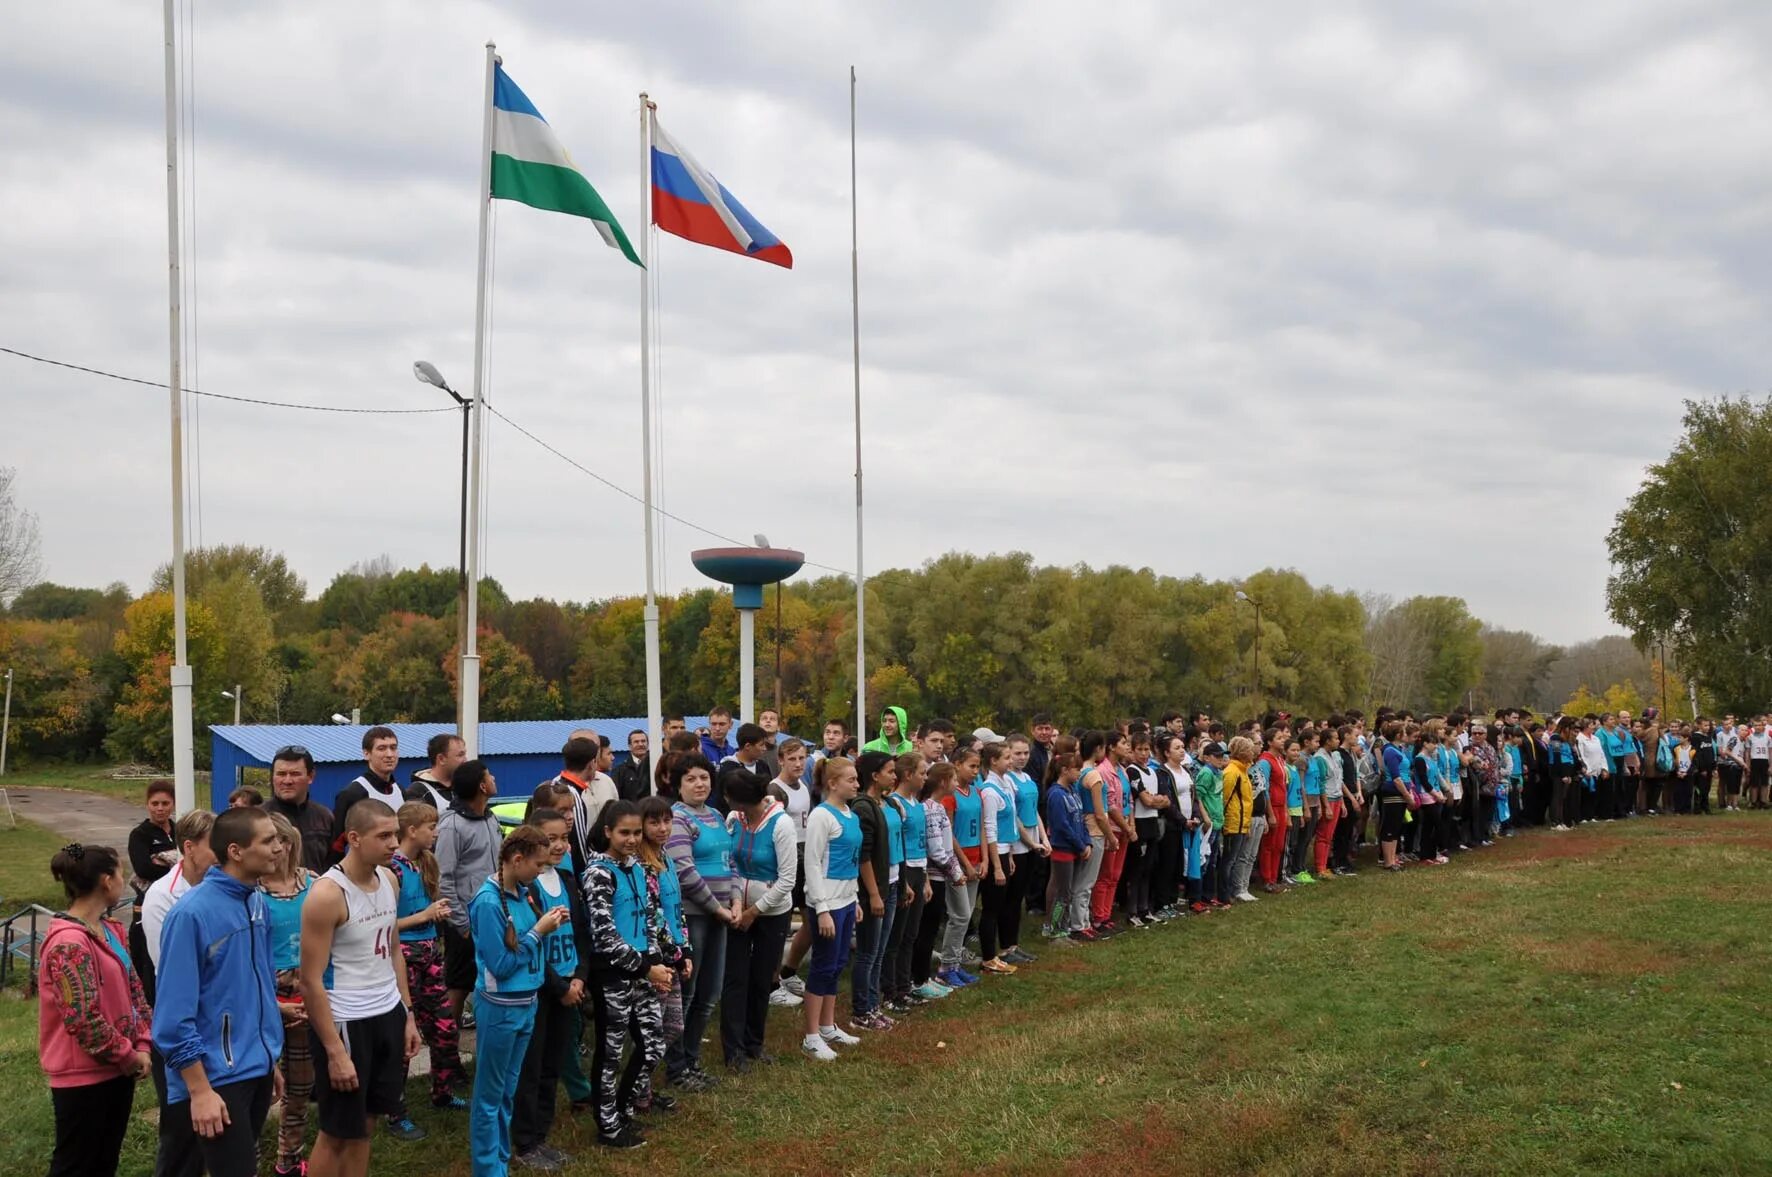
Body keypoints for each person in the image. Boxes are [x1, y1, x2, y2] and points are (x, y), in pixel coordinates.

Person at [152, 807, 285, 1177]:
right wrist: (199, 1091)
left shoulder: (255, 900)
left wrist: (266, 1058)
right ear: (236, 851)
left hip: (253, 1066)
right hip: (215, 1076)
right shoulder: (192, 914)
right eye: (269, 840)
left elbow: (254, 990)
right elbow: (171, 1018)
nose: (279, 847)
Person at [301, 801, 425, 1175]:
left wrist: (407, 1014)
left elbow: (393, 951)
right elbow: (310, 980)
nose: (394, 843)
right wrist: (335, 1051)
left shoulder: (389, 879)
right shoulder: (327, 894)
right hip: (347, 1021)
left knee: (367, 1123)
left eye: (396, 833)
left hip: (386, 1014)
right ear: (354, 838)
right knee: (337, 1131)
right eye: (384, 835)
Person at [40, 842, 153, 1177]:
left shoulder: (108, 930)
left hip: (117, 1069)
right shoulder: (68, 944)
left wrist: (143, 1043)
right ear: (107, 880)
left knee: (104, 1161)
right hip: (83, 1077)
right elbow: (84, 1019)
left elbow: (136, 992)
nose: (124, 879)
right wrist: (129, 1056)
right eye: (120, 872)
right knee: (76, 1165)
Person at [470, 826, 569, 1173]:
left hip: (526, 1004)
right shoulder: (487, 902)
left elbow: (527, 943)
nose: (541, 871)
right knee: (489, 1096)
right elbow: (502, 964)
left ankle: (500, 1160)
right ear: (516, 860)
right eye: (538, 865)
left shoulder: (522, 892)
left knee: (507, 1091)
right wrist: (538, 932)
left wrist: (546, 926)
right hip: (501, 1009)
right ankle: (487, 1168)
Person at [581, 801, 669, 1150]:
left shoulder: (637, 868)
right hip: (612, 975)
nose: (632, 840)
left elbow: (648, 919)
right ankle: (607, 1126)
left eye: (636, 833)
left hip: (643, 972)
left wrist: (657, 962)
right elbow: (604, 934)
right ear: (607, 832)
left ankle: (622, 1108)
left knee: (652, 1046)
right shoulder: (598, 873)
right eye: (624, 833)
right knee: (611, 1052)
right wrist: (645, 966)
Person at [511, 808, 591, 1170]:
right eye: (549, 839)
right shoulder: (526, 887)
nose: (559, 845)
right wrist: (558, 986)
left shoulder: (568, 880)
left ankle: (539, 1136)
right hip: (540, 989)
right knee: (531, 1066)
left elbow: (582, 935)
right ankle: (524, 1141)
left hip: (568, 984)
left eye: (564, 837)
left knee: (552, 1066)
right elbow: (527, 946)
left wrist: (579, 978)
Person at [663, 754, 733, 1090]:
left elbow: (728, 862)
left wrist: (732, 900)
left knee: (709, 993)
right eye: (690, 778)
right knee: (686, 995)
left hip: (721, 913)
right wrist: (717, 908)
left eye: (704, 777)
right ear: (677, 785)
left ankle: (691, 1061)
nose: (699, 784)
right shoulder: (677, 818)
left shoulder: (717, 815)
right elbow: (684, 871)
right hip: (694, 915)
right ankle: (676, 1067)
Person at [392, 803, 467, 1116]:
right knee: (403, 1037)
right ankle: (394, 1109)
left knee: (445, 1028)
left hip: (431, 952)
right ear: (411, 830)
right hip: (403, 957)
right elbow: (383, 925)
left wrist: (437, 911)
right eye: (431, 827)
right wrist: (424, 915)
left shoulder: (424, 863)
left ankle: (443, 1093)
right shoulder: (391, 869)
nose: (436, 833)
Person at [721, 768, 797, 1069]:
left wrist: (756, 911)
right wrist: (739, 905)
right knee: (735, 978)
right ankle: (733, 1048)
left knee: (762, 977)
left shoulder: (782, 825)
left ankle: (754, 1042)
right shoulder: (733, 821)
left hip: (771, 913)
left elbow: (787, 878)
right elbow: (730, 862)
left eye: (728, 796)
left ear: (740, 800)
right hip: (737, 911)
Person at [261, 813, 319, 1177]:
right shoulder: (251, 890)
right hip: (265, 989)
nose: (274, 849)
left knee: (300, 1084)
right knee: (257, 1085)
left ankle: (288, 1159)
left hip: (308, 987)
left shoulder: (312, 882)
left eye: (276, 841)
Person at [800, 757, 864, 1060]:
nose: (857, 784)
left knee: (838, 964)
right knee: (823, 965)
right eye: (851, 779)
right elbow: (812, 863)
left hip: (846, 900)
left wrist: (856, 899)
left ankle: (827, 1025)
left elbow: (851, 860)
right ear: (833, 783)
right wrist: (822, 908)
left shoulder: (850, 813)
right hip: (826, 902)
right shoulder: (821, 816)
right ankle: (811, 1036)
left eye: (856, 779)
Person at [438, 759, 503, 1042]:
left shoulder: (490, 817)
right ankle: (446, 1051)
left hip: (494, 913)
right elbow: (443, 879)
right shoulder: (452, 825)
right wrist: (462, 923)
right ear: (481, 785)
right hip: (464, 919)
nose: (494, 779)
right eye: (490, 776)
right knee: (458, 983)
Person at [850, 750, 901, 1025]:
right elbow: (864, 855)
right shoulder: (863, 807)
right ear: (874, 775)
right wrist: (872, 894)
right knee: (868, 951)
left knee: (879, 952)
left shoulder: (887, 802)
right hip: (875, 888)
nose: (894, 776)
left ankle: (873, 1005)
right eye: (890, 771)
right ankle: (861, 1010)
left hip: (891, 882)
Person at [883, 751, 933, 1008]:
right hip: (904, 871)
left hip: (918, 870)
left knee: (910, 934)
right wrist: (904, 880)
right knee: (896, 935)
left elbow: (920, 843)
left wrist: (924, 879)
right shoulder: (895, 803)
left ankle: (905, 985)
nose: (926, 778)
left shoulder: (917, 803)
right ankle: (889, 990)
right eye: (922, 773)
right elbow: (898, 843)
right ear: (907, 775)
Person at [764, 738, 811, 1009]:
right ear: (780, 760)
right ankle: (771, 985)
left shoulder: (803, 785)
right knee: (780, 925)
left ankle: (789, 970)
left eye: (802, 758)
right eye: (792, 759)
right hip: (785, 859)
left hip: (805, 858)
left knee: (812, 922)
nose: (797, 764)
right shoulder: (775, 789)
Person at [911, 762, 961, 997]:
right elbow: (936, 848)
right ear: (943, 782)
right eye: (954, 779)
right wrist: (956, 872)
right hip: (933, 875)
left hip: (940, 875)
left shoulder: (938, 807)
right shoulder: (930, 809)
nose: (957, 783)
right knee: (926, 929)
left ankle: (923, 976)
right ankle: (918, 980)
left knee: (930, 928)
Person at [937, 747, 984, 986]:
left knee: (966, 916)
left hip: (976, 860)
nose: (976, 771)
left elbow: (983, 826)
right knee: (960, 915)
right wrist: (964, 863)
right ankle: (947, 965)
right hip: (958, 862)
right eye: (971, 766)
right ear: (957, 765)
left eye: (978, 766)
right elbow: (949, 834)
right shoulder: (950, 795)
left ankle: (955, 963)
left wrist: (984, 859)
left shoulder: (976, 791)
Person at [126, 779, 178, 994]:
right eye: (155, 803)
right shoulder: (140, 835)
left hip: (176, 904)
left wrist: (165, 861)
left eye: (165, 803)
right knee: (149, 967)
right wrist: (176, 867)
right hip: (146, 906)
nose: (160, 809)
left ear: (173, 804)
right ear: (147, 804)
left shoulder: (179, 830)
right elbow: (144, 869)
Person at [328, 726, 406, 863]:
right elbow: (337, 846)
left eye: (393, 748)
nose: (389, 754)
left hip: (398, 875)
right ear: (366, 754)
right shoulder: (353, 793)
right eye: (381, 748)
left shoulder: (400, 790)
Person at [552, 736, 617, 884]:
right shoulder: (572, 795)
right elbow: (579, 844)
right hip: (571, 875)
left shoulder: (556, 785)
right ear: (591, 764)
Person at [265, 745, 336, 875]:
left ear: (311, 776)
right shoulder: (258, 818)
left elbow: (335, 866)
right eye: (281, 774)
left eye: (295, 774)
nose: (287, 781)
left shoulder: (324, 817)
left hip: (318, 893)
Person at [1042, 753, 1090, 937]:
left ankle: (1062, 925)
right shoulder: (1056, 794)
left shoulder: (1073, 790)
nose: (1080, 773)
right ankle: (1055, 928)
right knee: (1063, 892)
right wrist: (1080, 845)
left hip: (1076, 848)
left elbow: (1081, 817)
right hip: (1063, 849)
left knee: (1068, 891)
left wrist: (1086, 842)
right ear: (1064, 770)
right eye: (1077, 769)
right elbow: (1062, 825)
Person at [1222, 737, 1262, 901]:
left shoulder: (1243, 771)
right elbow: (1225, 798)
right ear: (1242, 752)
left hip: (1242, 822)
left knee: (1239, 857)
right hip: (1233, 823)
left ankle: (1238, 888)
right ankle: (1226, 893)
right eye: (1249, 749)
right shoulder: (1232, 772)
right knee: (1230, 860)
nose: (1253, 752)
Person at [409, 733, 466, 813]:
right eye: (460, 755)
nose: (465, 760)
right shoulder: (418, 792)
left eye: (464, 754)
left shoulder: (465, 786)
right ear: (441, 759)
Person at [613, 730, 651, 801]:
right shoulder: (619, 771)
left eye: (643, 741)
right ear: (629, 746)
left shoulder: (655, 766)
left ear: (648, 744)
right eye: (636, 742)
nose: (640, 744)